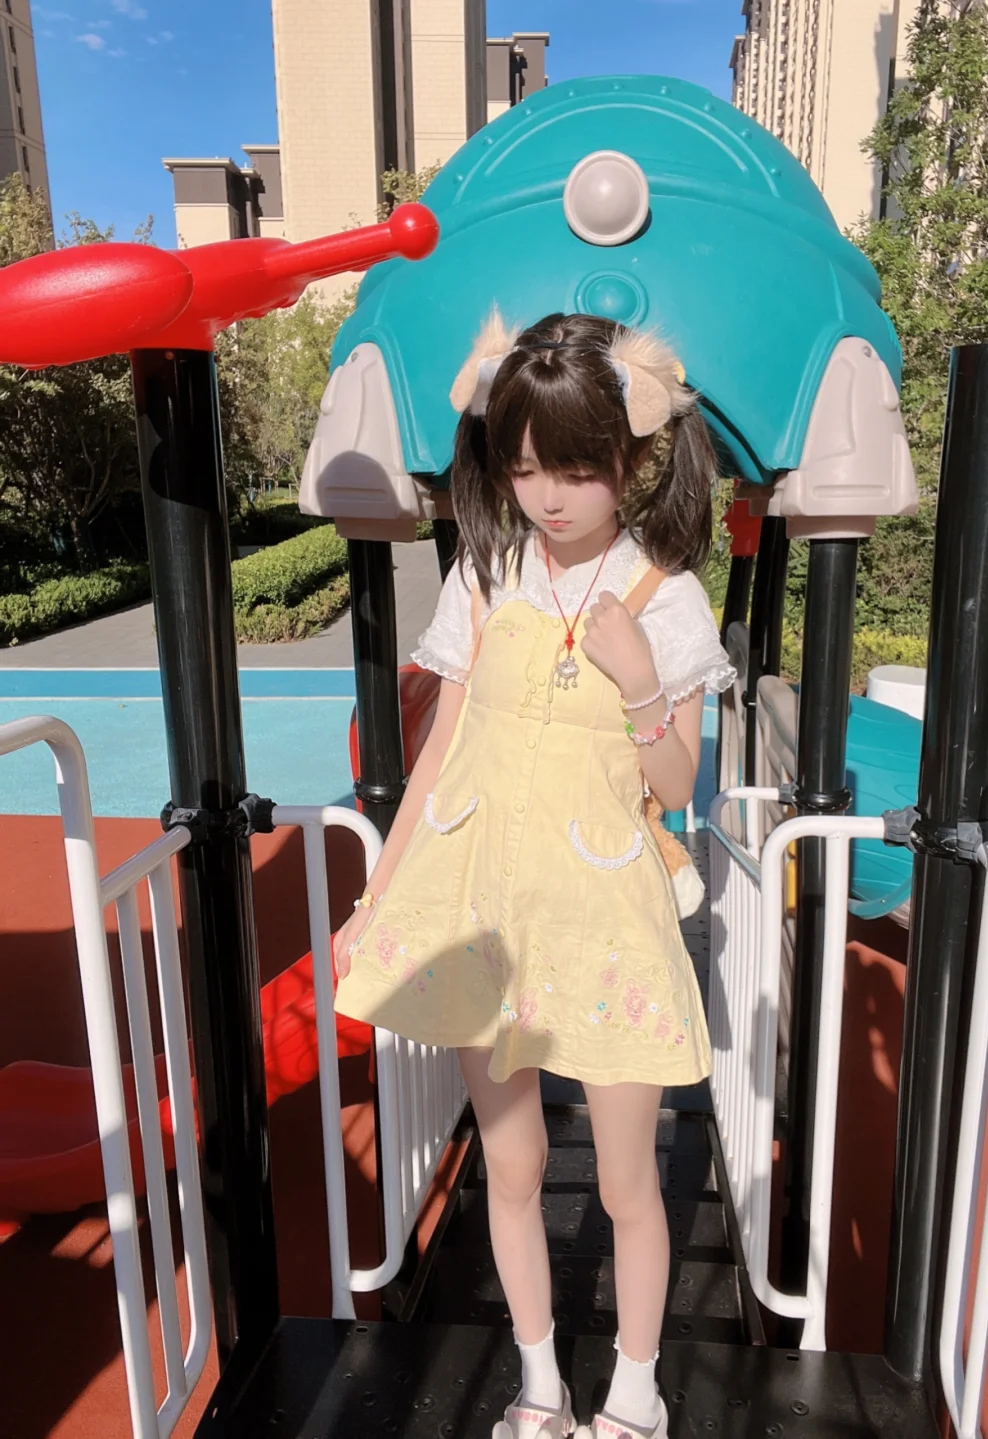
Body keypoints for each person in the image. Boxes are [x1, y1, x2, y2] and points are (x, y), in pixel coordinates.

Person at [333, 310, 735, 1439]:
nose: (547, 496)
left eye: (572, 467)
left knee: (625, 1180)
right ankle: (542, 1381)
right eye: (522, 468)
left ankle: (638, 1392)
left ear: (629, 457)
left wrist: (640, 677)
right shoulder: (487, 574)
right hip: (491, 914)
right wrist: (375, 901)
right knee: (510, 1166)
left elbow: (675, 782)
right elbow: (440, 756)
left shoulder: (667, 595)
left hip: (606, 919)